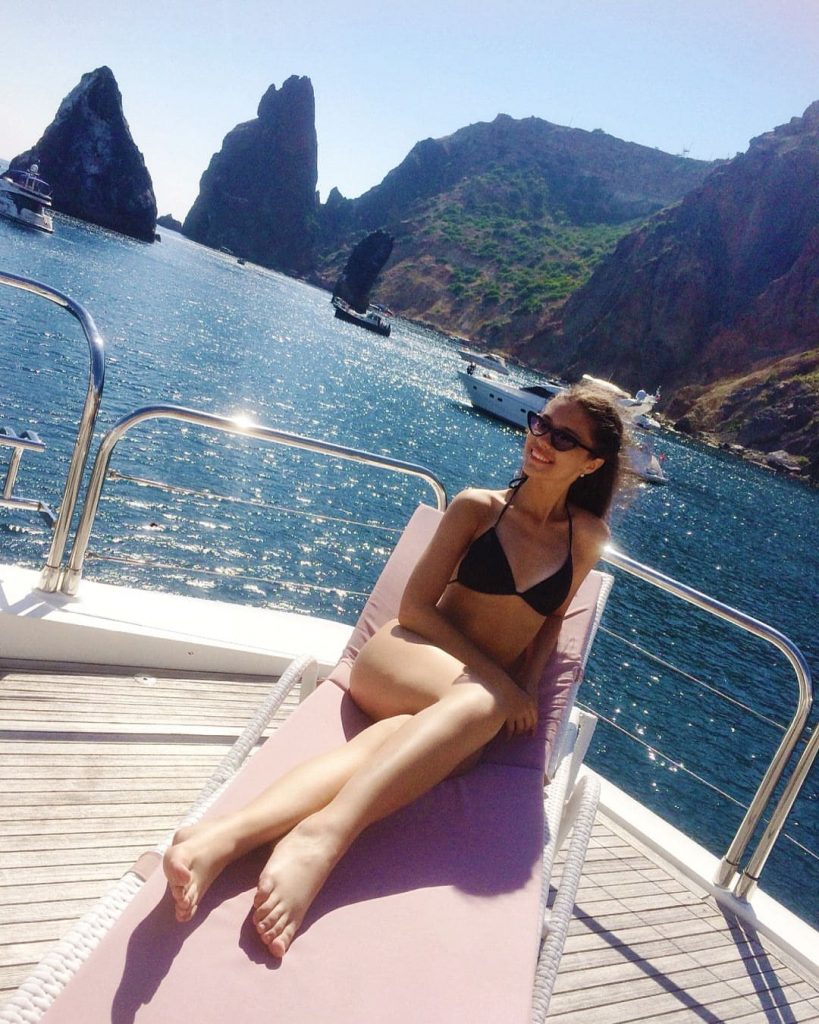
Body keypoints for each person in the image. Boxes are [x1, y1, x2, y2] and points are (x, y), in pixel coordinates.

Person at [163, 381, 625, 957]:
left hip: (461, 704)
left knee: (406, 742)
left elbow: (552, 621)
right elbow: (415, 610)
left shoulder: (587, 537)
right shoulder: (478, 508)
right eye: (540, 423)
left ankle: (218, 839)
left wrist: (525, 690)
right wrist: (500, 686)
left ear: (592, 463)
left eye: (564, 438)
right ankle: (325, 836)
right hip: (403, 657)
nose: (542, 440)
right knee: (477, 708)